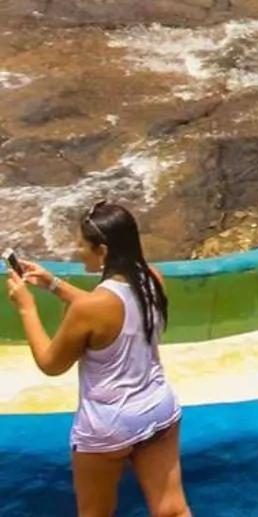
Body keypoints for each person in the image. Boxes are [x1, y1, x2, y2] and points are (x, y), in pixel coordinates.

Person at [6, 201, 188, 517]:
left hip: (109, 426)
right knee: (172, 509)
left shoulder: (89, 310)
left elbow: (51, 363)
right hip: (159, 410)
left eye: (82, 244)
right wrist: (54, 284)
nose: (78, 251)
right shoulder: (153, 280)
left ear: (102, 250)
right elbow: (111, 312)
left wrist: (26, 307)